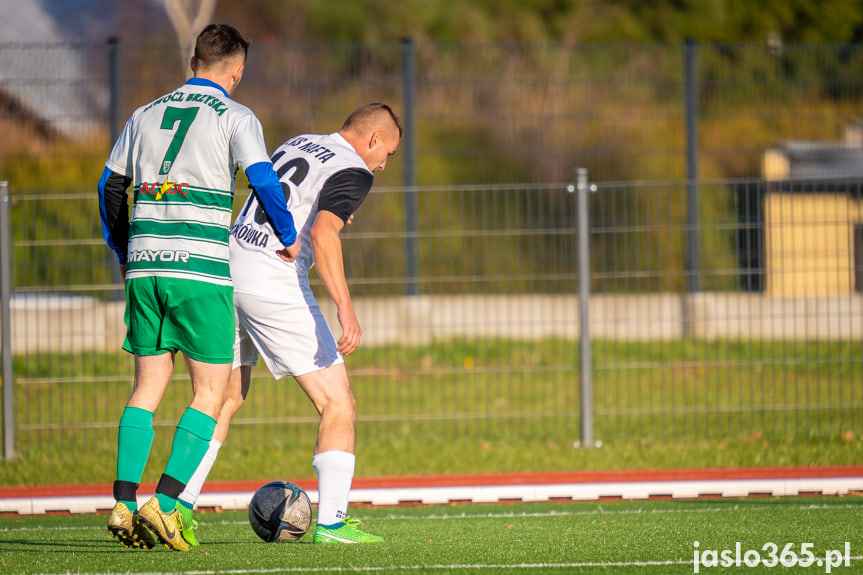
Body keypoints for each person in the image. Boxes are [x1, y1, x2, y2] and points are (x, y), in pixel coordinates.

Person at [98, 23, 301, 552]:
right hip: (201, 271)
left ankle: (122, 502)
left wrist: (126, 250)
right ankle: (164, 506)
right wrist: (287, 235)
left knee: (146, 388)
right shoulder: (236, 115)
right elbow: (262, 178)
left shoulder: (142, 114)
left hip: (145, 268)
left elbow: (111, 186)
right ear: (236, 71)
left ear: (193, 61)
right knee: (213, 392)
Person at [173, 103, 402, 546]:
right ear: (373, 139)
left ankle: (177, 507)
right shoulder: (355, 168)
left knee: (225, 395)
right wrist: (346, 308)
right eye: (387, 153)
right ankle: (333, 525)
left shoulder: (298, 142)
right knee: (339, 403)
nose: (384, 163)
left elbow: (289, 201)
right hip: (272, 280)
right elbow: (322, 234)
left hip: (227, 268)